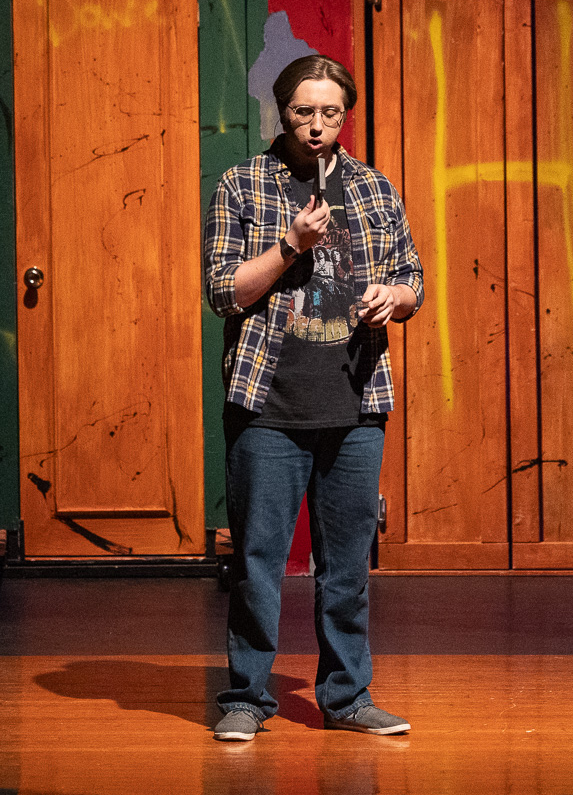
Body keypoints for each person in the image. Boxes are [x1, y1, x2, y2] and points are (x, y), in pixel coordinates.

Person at [202, 54, 425, 741]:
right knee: (258, 561)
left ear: (345, 115)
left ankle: (347, 697)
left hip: (355, 403)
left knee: (347, 567)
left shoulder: (374, 187)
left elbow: (413, 277)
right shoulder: (244, 183)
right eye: (304, 112)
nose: (318, 125)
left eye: (331, 112)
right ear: (283, 112)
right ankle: (247, 697)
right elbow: (224, 291)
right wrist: (290, 245)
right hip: (268, 404)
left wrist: (394, 297)